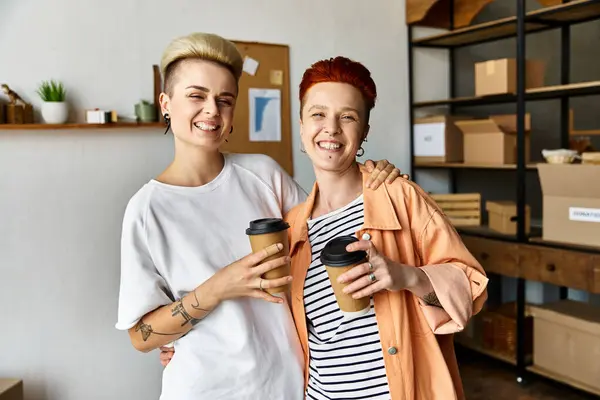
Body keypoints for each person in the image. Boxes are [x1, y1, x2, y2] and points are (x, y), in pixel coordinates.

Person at [115, 32, 404, 400]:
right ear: (165, 103)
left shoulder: (263, 175)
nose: (211, 111)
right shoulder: (146, 210)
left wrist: (374, 174)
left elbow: (325, 238)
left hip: (290, 385)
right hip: (204, 389)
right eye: (196, 96)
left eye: (224, 100)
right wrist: (218, 287)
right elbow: (141, 336)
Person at [282, 56, 489, 400]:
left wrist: (407, 277)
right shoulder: (292, 229)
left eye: (347, 117)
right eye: (318, 114)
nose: (331, 128)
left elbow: (472, 291)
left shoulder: (400, 197)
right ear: (302, 125)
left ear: (363, 131)